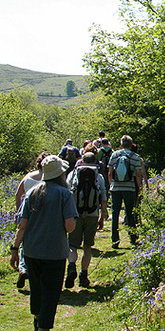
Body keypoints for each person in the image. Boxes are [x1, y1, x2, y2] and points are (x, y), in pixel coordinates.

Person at [9, 155, 78, 331]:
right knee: (51, 292)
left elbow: (21, 226)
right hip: (55, 252)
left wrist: (15, 249)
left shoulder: (32, 192)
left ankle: (37, 317)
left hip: (32, 251)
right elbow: (70, 227)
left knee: (37, 289)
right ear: (60, 174)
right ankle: (43, 327)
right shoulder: (65, 194)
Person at [65, 152, 109, 288]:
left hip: (75, 214)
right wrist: (103, 215)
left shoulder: (72, 174)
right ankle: (84, 274)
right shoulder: (99, 177)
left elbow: (67, 193)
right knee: (87, 246)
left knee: (72, 245)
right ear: (96, 162)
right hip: (92, 214)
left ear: (82, 162)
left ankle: (71, 266)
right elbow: (103, 196)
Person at [13, 151, 51, 289]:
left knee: (24, 241)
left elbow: (18, 195)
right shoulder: (50, 179)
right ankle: (40, 271)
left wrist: (19, 212)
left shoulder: (28, 177)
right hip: (44, 215)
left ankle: (23, 268)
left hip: (26, 213)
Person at [107, 135, 142, 248]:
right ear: (131, 145)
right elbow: (137, 174)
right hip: (129, 188)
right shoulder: (135, 156)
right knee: (130, 213)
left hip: (116, 188)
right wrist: (140, 188)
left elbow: (110, 172)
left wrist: (110, 185)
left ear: (121, 144)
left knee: (115, 213)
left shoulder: (115, 155)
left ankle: (115, 240)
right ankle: (133, 237)